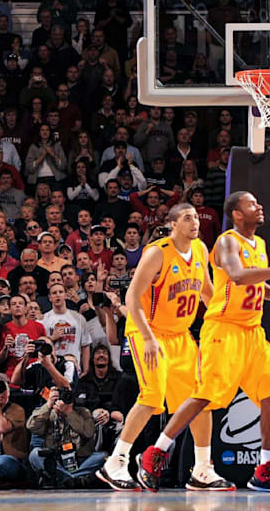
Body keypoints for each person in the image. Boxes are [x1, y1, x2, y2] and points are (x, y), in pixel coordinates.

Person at [136, 191, 270, 492]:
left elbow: (257, 285)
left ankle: (265, 470)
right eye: (252, 204)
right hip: (223, 330)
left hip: (253, 332)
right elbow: (240, 276)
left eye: (259, 202)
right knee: (204, 396)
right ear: (238, 214)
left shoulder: (261, 244)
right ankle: (156, 452)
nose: (259, 206)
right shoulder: (228, 241)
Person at [96, 203, 232, 491]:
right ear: (173, 224)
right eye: (187, 217)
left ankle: (203, 469)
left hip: (181, 336)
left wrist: (227, 321)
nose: (194, 221)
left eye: (196, 216)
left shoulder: (199, 250)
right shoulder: (157, 253)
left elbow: (207, 292)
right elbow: (132, 298)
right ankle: (116, 462)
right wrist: (146, 338)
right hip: (148, 332)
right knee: (152, 397)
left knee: (200, 398)